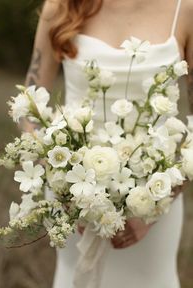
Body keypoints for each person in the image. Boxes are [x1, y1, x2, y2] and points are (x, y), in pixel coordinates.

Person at [23, 0, 193, 287]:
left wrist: (154, 204)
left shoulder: (185, 9)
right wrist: (59, 183)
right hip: (73, 199)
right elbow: (31, 102)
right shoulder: (61, 7)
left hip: (155, 206)